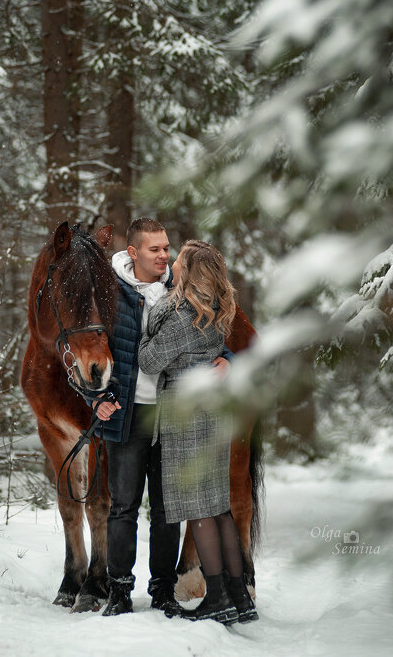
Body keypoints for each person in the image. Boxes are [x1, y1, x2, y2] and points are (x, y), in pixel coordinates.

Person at [137, 240, 258, 625]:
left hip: (185, 415)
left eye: (179, 261)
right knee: (218, 506)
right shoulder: (217, 309)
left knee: (198, 510)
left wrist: (155, 314)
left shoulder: (177, 314)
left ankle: (218, 596)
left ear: (188, 272)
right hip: (214, 412)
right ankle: (240, 597)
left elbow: (149, 360)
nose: (170, 263)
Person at [93, 218, 182, 617]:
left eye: (166, 248)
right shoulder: (110, 294)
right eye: (155, 249)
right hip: (127, 416)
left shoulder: (181, 290)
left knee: (166, 510)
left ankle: (164, 589)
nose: (164, 255)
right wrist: (96, 398)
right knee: (123, 507)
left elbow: (214, 332)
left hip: (172, 416)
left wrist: (226, 360)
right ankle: (119, 590)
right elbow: (88, 353)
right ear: (133, 252)